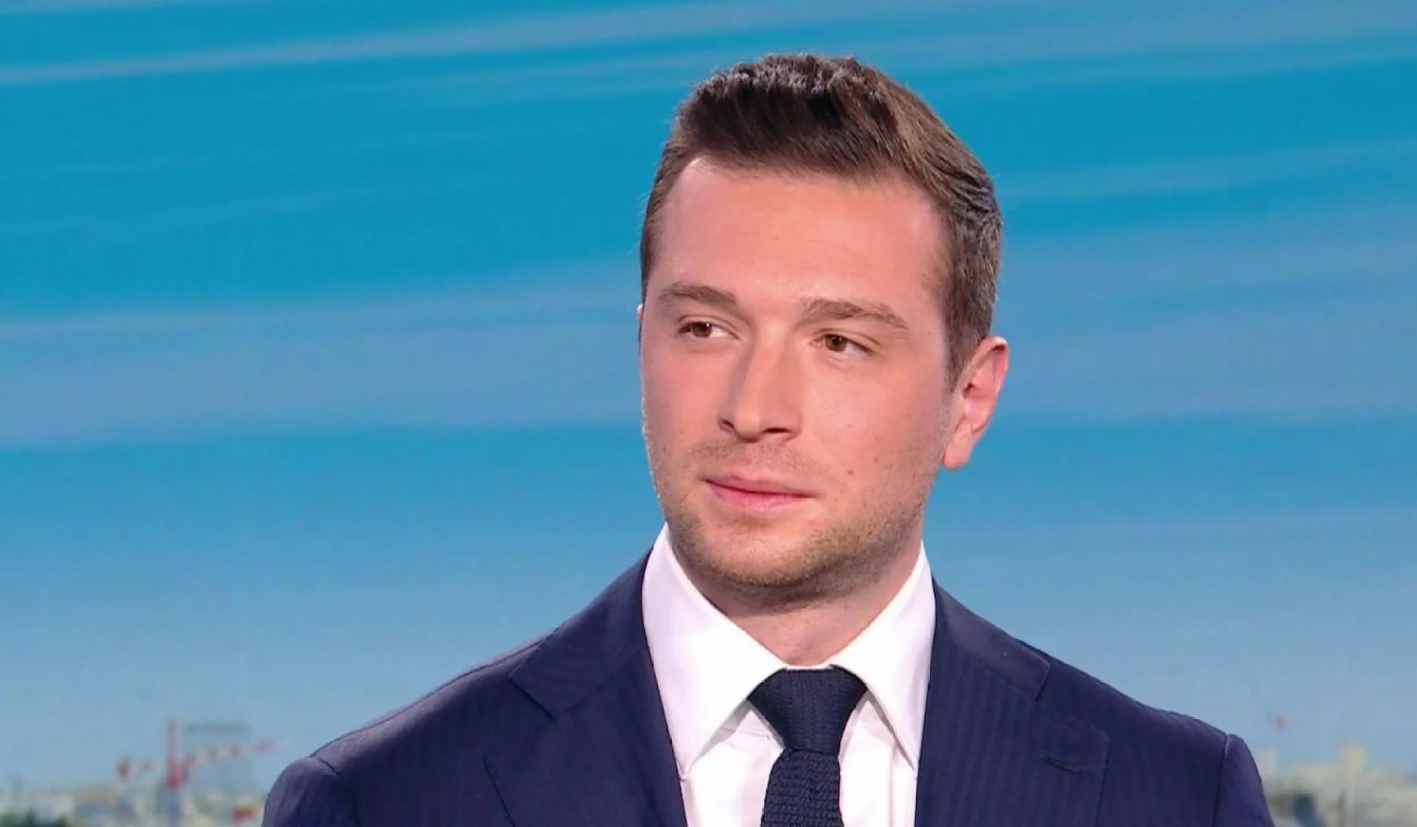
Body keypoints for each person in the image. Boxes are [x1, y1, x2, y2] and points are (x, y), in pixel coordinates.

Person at [261, 53, 1275, 827]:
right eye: (705, 328)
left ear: (968, 400)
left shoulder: (1175, 795)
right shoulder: (380, 800)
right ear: (641, 345)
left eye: (838, 343)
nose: (753, 407)